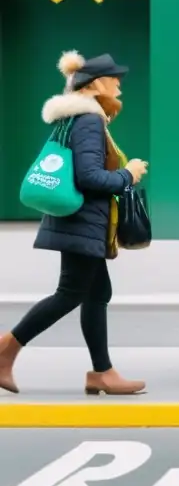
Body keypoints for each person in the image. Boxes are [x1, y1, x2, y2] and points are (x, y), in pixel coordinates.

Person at [0, 51, 149, 396]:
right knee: (70, 293)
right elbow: (90, 178)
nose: (120, 87)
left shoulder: (73, 119)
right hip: (82, 220)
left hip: (79, 221)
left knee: (97, 292)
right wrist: (129, 174)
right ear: (97, 84)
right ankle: (7, 348)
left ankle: (101, 373)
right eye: (115, 80)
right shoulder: (88, 121)